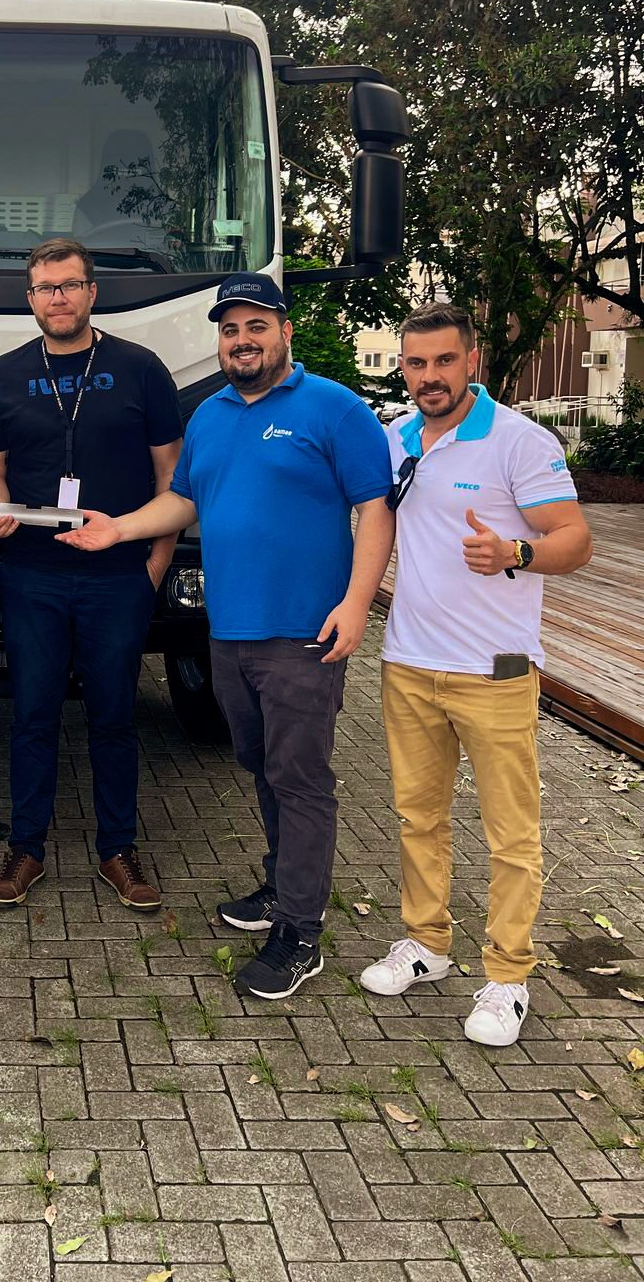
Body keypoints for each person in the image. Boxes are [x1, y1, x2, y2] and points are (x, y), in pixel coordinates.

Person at [59, 271, 394, 996]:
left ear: (285, 332)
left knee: (300, 780)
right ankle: (280, 886)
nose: (242, 340)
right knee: (261, 765)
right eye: (231, 329)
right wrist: (118, 529)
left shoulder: (335, 407)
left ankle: (300, 933)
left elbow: (376, 507)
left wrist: (357, 602)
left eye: (257, 326)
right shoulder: (209, 415)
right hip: (229, 631)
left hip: (305, 633)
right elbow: (184, 500)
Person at [361, 302, 592, 1046]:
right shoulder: (395, 438)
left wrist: (516, 553)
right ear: (403, 367)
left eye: (443, 361)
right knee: (418, 817)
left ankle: (508, 978)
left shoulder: (519, 441)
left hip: (499, 668)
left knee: (510, 833)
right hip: (409, 661)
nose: (429, 376)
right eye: (416, 363)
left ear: (472, 361)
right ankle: (426, 944)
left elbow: (576, 539)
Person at [0, 238, 184, 911]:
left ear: (92, 292)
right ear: (30, 299)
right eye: (45, 288)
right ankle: (25, 849)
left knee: (114, 716)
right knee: (32, 715)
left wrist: (155, 564)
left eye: (68, 285)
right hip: (31, 574)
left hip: (117, 574)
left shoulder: (139, 368)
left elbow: (171, 476)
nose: (57, 298)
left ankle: (118, 850)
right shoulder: (6, 373)